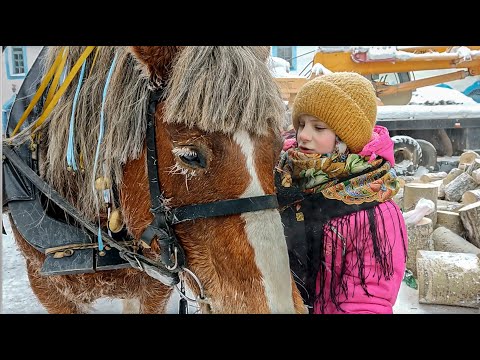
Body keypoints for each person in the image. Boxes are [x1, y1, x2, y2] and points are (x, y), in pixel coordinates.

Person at [276, 72, 408, 314]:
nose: (304, 135)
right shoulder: (279, 179)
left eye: (318, 127)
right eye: (301, 124)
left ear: (345, 140)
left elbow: (368, 300)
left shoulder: (375, 209)